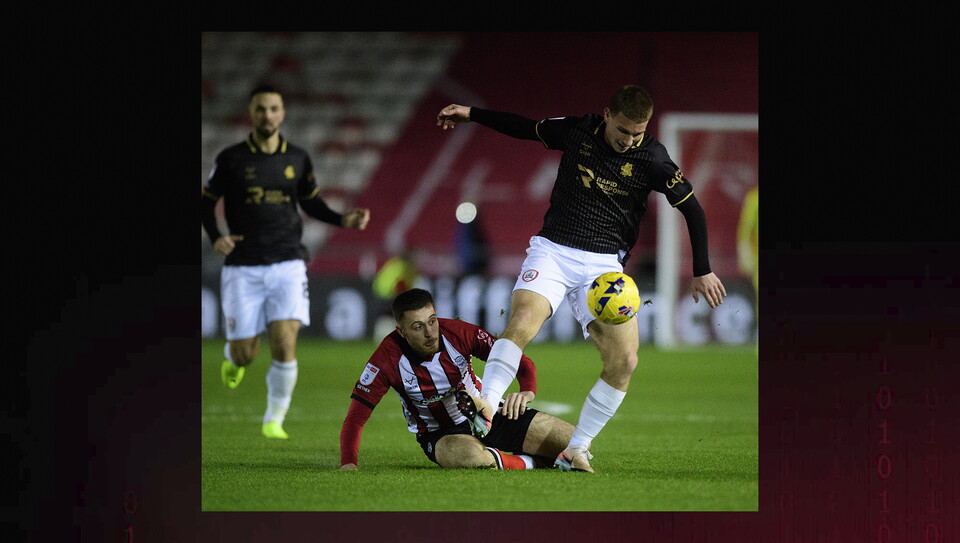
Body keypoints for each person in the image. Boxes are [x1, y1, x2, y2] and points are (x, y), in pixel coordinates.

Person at [435, 85, 727, 472]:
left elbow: (693, 209)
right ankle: (486, 406)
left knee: (624, 361)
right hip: (554, 250)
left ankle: (577, 448)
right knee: (522, 322)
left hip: (605, 269)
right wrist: (472, 113)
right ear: (606, 115)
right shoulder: (576, 132)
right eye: (623, 131)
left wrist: (702, 268)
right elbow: (524, 127)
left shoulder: (653, 158)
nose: (629, 141)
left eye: (637, 133)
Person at [201, 84, 371, 439]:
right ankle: (236, 360)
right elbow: (206, 201)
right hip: (243, 265)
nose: (267, 115)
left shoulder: (297, 158)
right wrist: (217, 236)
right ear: (251, 113)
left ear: (283, 113)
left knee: (285, 341)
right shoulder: (231, 159)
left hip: (288, 262)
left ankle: (273, 419)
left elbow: (310, 203)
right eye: (260, 109)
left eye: (273, 108)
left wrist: (343, 219)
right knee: (245, 352)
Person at [339, 288, 574, 470]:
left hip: (488, 412)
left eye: (432, 321)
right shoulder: (385, 360)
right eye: (418, 326)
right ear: (401, 331)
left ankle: (493, 435)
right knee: (471, 457)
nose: (430, 332)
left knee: (573, 442)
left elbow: (519, 360)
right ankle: (533, 463)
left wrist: (527, 390)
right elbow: (355, 418)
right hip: (440, 434)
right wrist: (348, 462)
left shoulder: (460, 333)